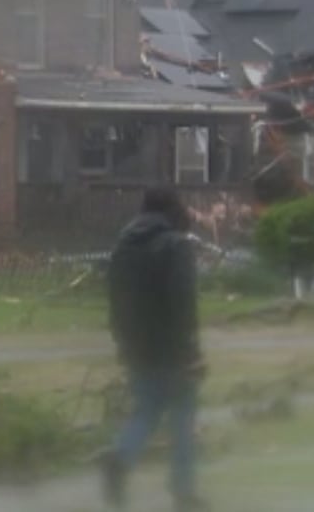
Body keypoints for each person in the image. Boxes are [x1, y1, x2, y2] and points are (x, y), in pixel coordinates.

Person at [101, 186, 208, 511]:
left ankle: (120, 458)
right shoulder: (175, 246)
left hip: (136, 346)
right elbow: (182, 303)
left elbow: (115, 301)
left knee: (146, 411)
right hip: (172, 350)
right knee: (181, 420)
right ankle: (183, 492)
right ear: (173, 209)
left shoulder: (123, 246)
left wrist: (123, 342)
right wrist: (190, 351)